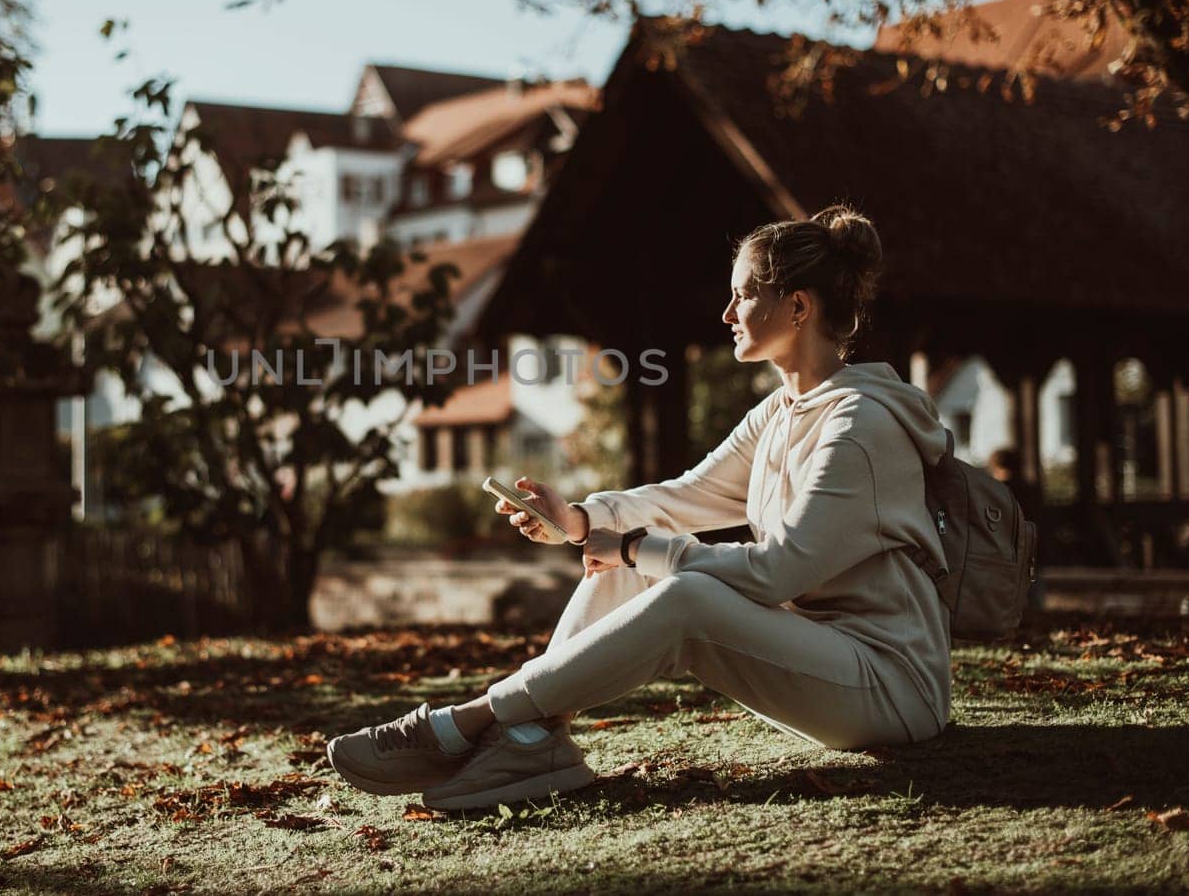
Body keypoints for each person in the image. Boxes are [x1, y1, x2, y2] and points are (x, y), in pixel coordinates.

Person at [326, 204, 954, 811]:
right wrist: (580, 521)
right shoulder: (781, 414)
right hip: (821, 658)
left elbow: (778, 571)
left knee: (681, 589)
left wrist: (635, 547)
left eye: (744, 295)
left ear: (797, 307)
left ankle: (468, 722)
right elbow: (686, 497)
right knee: (638, 560)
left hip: (890, 686)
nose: (728, 311)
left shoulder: (860, 426)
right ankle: (531, 738)